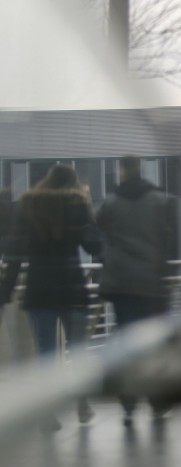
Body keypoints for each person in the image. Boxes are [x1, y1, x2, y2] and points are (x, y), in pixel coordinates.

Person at [0, 164, 101, 431]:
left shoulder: (27, 206)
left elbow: (14, 253)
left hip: (39, 288)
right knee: (77, 350)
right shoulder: (78, 205)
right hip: (71, 287)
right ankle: (82, 402)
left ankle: (48, 412)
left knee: (46, 353)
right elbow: (94, 245)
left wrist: (5, 290)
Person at [96, 154, 176, 426]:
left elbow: (99, 229)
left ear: (121, 171)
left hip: (122, 284)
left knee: (127, 340)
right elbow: (170, 236)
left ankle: (129, 403)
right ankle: (158, 402)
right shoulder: (159, 200)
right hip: (152, 282)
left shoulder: (111, 202)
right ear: (140, 170)